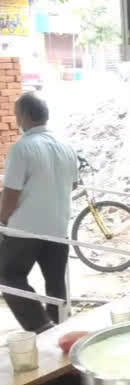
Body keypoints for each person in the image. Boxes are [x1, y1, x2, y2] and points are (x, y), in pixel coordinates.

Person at [0, 92, 78, 333]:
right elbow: (73, 185)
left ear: (23, 116)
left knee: (8, 276)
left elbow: (11, 193)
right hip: (58, 228)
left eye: (16, 115)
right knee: (55, 283)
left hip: (25, 230)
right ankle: (61, 330)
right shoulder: (66, 146)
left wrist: (2, 219)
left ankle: (41, 326)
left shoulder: (23, 148)